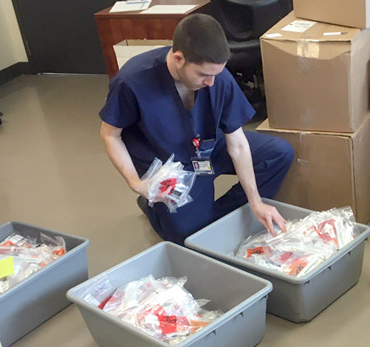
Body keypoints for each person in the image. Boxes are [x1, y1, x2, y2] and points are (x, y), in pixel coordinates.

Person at [99, 13, 293, 244]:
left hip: (208, 145)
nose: (211, 83)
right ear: (178, 58)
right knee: (186, 236)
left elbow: (239, 145)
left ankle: (214, 216)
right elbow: (110, 135)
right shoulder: (132, 81)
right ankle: (155, 208)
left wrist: (256, 201)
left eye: (216, 74)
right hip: (170, 166)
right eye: (203, 75)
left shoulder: (216, 76)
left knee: (279, 153)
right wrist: (137, 184)